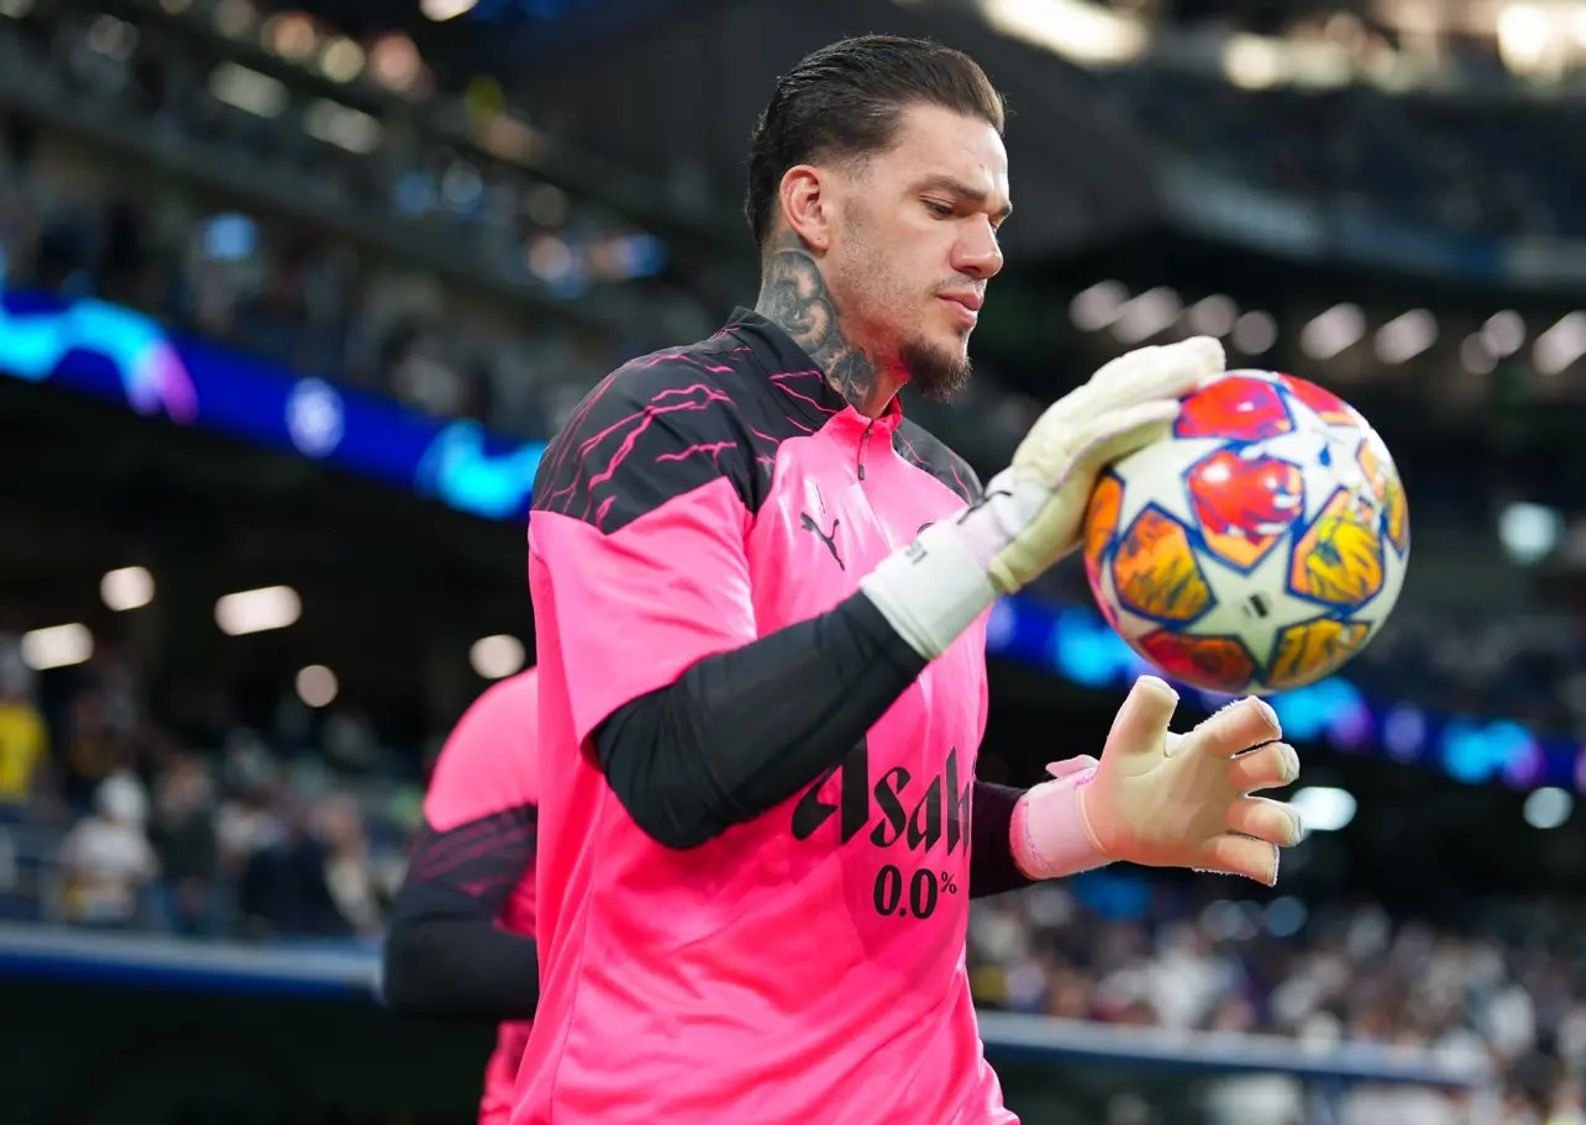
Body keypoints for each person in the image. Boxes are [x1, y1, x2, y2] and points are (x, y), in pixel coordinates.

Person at [515, 35, 1304, 1124]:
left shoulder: (941, 488)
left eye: (994, 219)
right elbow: (676, 769)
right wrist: (1001, 536)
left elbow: (879, 822)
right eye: (944, 206)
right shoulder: (662, 429)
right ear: (813, 206)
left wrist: (1084, 821)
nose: (985, 252)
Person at [380, 668, 541, 1125]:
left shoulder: (754, 715)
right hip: (564, 1104)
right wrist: (648, 973)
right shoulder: (530, 713)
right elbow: (422, 954)